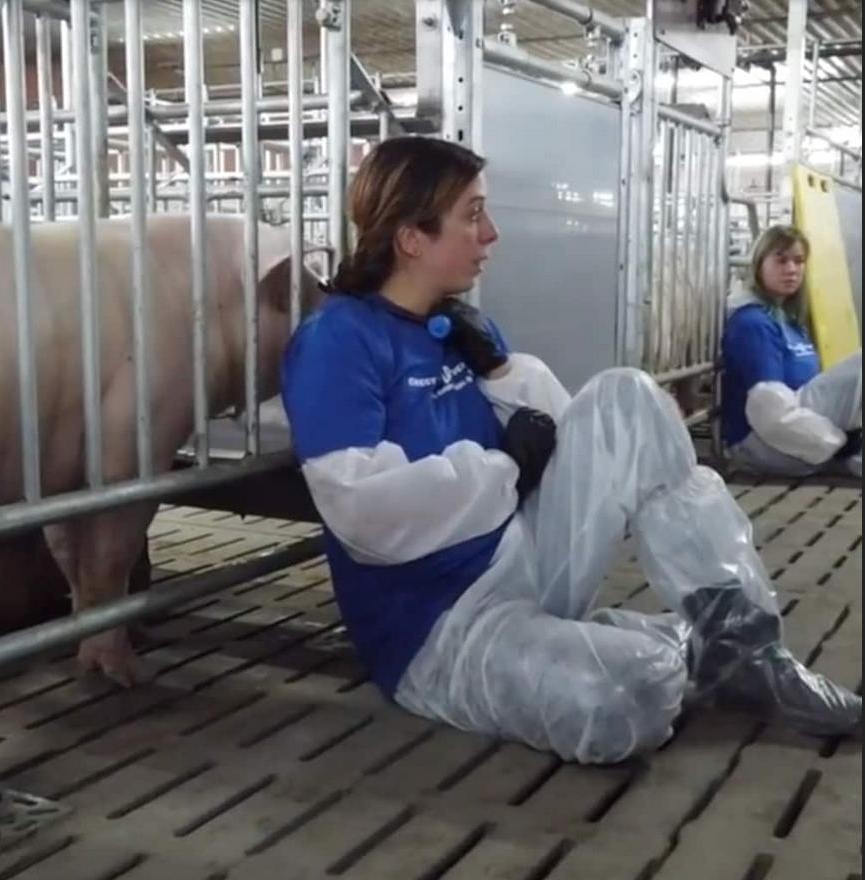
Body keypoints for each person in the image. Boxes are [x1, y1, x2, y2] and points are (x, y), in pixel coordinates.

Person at [281, 137, 861, 765]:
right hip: (439, 625)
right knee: (626, 695)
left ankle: (746, 645)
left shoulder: (461, 328)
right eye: (472, 215)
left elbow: (567, 432)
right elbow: (364, 516)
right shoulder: (338, 341)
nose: (491, 233)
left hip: (521, 558)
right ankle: (671, 647)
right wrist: (507, 467)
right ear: (411, 237)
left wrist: (506, 372)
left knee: (627, 394)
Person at [722, 225, 862, 477]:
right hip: (763, 442)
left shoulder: (788, 321)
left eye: (798, 261)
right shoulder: (753, 324)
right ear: (759, 265)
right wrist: (838, 442)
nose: (791, 269)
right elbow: (768, 412)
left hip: (801, 436)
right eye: (781, 260)